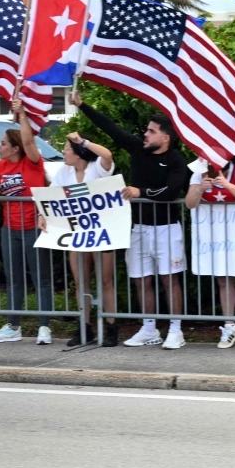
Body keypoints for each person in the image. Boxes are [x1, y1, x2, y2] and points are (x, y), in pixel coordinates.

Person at [72, 91, 190, 349]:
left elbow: (171, 192)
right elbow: (111, 128)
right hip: (138, 228)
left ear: (165, 137)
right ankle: (148, 328)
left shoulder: (176, 160)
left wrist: (142, 193)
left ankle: (176, 329)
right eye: (146, 130)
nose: (145, 134)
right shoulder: (138, 149)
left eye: (151, 131)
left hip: (167, 229)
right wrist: (82, 105)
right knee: (141, 279)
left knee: (169, 279)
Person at [0, 99, 54, 346]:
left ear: (15, 148)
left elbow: (28, 141)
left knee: (41, 278)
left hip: (34, 228)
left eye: (3, 143)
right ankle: (13, 326)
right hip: (9, 229)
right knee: (13, 278)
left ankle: (44, 327)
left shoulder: (32, 162)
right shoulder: (1, 166)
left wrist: (22, 114)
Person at [185, 155, 235, 349]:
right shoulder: (199, 172)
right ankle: (229, 326)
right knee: (223, 279)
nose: (207, 170)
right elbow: (190, 203)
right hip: (217, 235)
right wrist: (201, 188)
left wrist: (227, 185)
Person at [52, 130, 116, 347]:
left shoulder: (96, 167)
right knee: (81, 282)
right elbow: (51, 197)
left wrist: (83, 141)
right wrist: (43, 215)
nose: (63, 152)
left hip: (102, 231)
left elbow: (107, 155)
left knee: (105, 281)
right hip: (77, 233)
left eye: (67, 148)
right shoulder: (64, 172)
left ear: (78, 152)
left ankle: (111, 327)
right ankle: (85, 327)